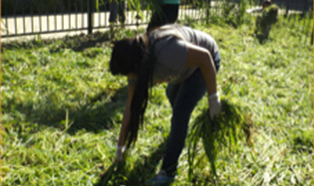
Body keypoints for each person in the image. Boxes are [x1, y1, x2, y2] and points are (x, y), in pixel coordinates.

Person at [109, 24, 222, 185]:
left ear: (136, 64)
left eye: (129, 73)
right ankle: (178, 134)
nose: (129, 78)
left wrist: (213, 98)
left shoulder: (167, 51)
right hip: (183, 68)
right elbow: (131, 106)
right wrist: (120, 147)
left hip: (205, 63)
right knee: (172, 95)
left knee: (180, 112)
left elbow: (205, 58)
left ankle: (168, 171)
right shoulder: (136, 62)